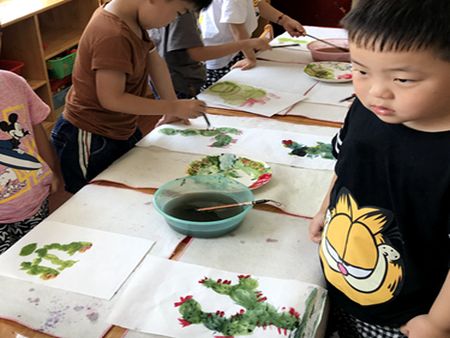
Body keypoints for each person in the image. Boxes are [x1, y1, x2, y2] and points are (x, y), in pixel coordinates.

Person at [308, 0, 450, 337]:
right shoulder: (366, 110)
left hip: (405, 317)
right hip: (340, 286)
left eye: (402, 79)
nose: (376, 92)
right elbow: (346, 165)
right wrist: (325, 207)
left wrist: (438, 323)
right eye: (360, 71)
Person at [51, 0, 212, 194]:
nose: (171, 21)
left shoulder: (132, 19)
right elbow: (112, 99)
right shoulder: (112, 34)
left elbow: (155, 62)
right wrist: (173, 107)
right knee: (96, 197)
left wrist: (173, 106)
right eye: (178, 13)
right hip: (90, 135)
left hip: (119, 127)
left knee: (130, 184)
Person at [0, 27, 60, 254]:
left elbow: (36, 131)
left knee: (41, 255)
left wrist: (51, 169)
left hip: (34, 196)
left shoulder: (14, 83)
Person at [148, 11, 270, 98]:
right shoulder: (182, 11)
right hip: (180, 82)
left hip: (166, 80)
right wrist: (246, 44)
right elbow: (196, 54)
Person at [199, 0, 305, 88]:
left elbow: (256, 3)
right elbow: (237, 30)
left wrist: (284, 20)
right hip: (222, 53)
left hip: (235, 46)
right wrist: (250, 58)